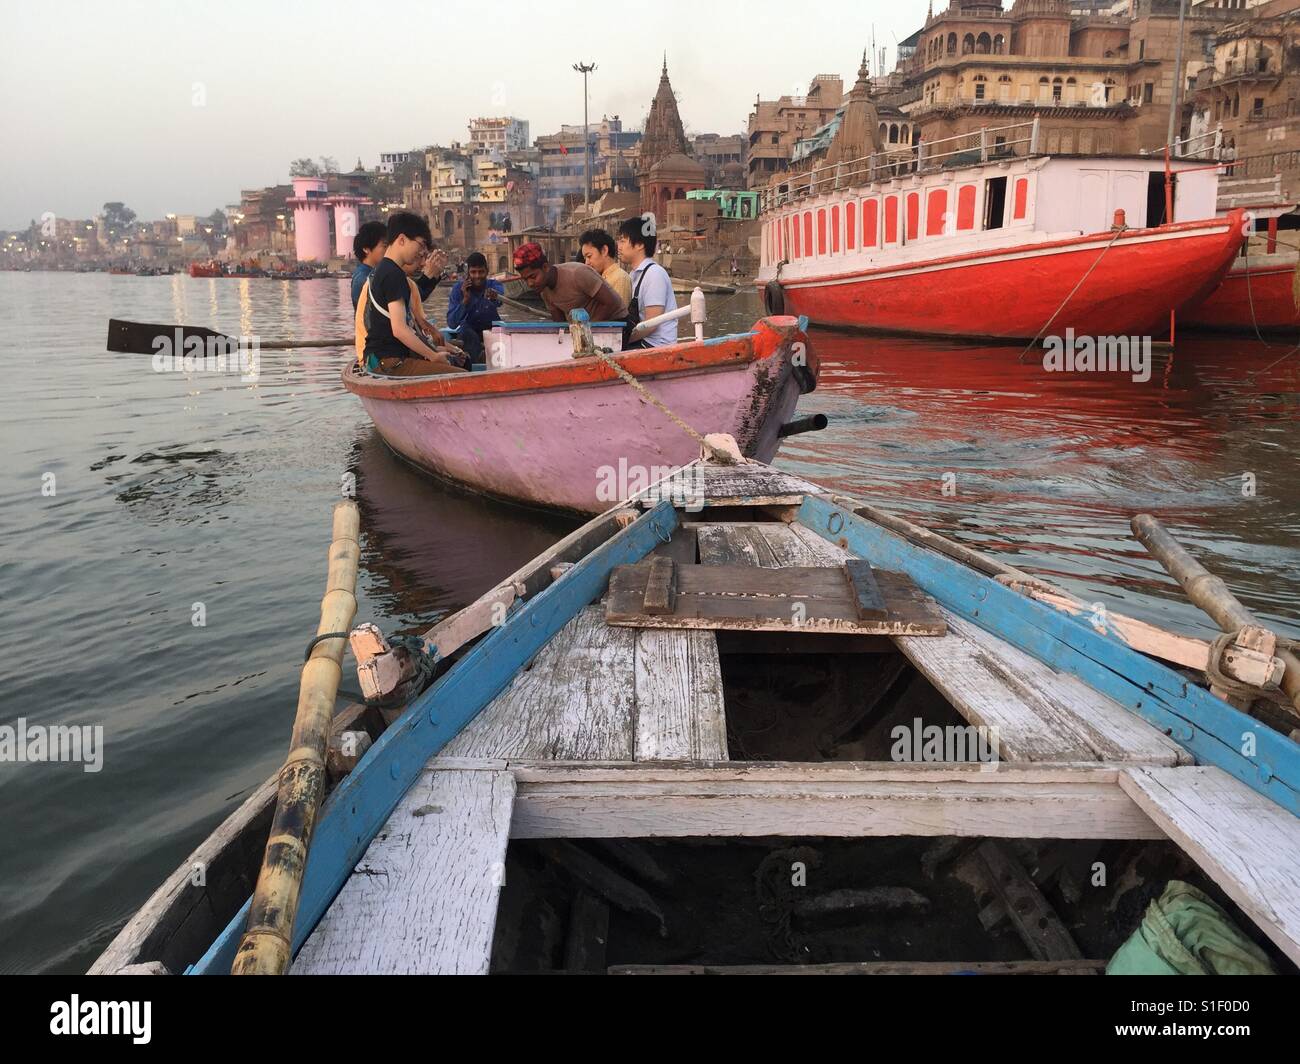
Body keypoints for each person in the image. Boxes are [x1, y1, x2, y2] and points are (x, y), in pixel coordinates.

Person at [360, 212, 466, 376]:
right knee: (460, 375)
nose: (421, 252)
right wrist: (433, 356)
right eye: (421, 245)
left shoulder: (384, 270)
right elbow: (400, 330)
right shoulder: (393, 274)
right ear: (402, 240)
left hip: (381, 358)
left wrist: (439, 349)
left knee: (457, 363)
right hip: (390, 361)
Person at [513, 242, 627, 325]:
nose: (530, 284)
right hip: (587, 331)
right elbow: (560, 325)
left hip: (618, 323)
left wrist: (587, 330)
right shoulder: (544, 291)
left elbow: (611, 303)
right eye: (525, 280)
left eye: (533, 277)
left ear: (545, 267)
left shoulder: (577, 273)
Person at [616, 216, 677, 348]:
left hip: (656, 346)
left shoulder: (654, 274)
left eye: (622, 241)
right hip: (642, 342)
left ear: (639, 245)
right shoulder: (633, 274)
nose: (619, 247)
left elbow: (651, 324)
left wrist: (622, 341)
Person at [447, 251, 504, 363]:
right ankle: (475, 365)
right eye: (473, 272)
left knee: (500, 333)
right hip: (469, 331)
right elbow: (452, 324)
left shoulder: (494, 285)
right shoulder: (458, 289)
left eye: (481, 272)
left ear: (487, 272)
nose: (477, 276)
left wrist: (494, 297)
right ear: (468, 273)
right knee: (466, 333)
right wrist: (465, 301)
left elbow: (500, 300)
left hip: (491, 328)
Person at [579, 228, 632, 307]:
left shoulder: (620, 278)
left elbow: (617, 314)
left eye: (589, 256)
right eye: (585, 258)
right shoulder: (601, 278)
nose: (587, 263)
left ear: (604, 250)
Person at [350, 221, 387, 310]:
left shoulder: (370, 273)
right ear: (366, 248)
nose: (388, 250)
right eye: (385, 246)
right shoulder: (364, 278)